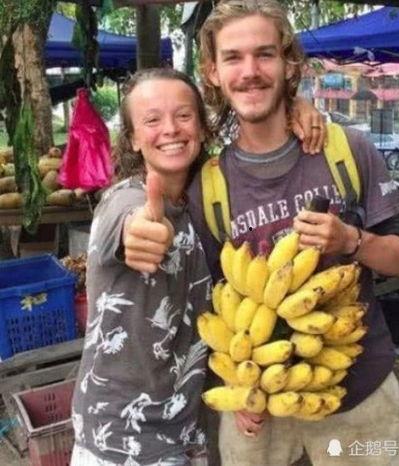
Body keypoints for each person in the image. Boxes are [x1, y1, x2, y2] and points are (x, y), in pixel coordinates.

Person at [125, 1, 399, 465]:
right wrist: (232, 383)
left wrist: (352, 241)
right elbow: (206, 305)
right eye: (233, 58)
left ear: (289, 63)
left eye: (264, 54)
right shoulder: (208, 185)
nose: (250, 72)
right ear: (213, 72)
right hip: (256, 407)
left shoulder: (347, 150)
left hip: (358, 393)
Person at [71, 65, 324, 466]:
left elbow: (207, 322)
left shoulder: (203, 205)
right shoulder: (123, 201)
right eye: (152, 120)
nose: (170, 129)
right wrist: (138, 233)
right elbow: (127, 224)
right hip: (121, 438)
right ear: (133, 138)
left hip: (187, 429)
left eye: (184, 115)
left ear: (203, 128)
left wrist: (297, 105)